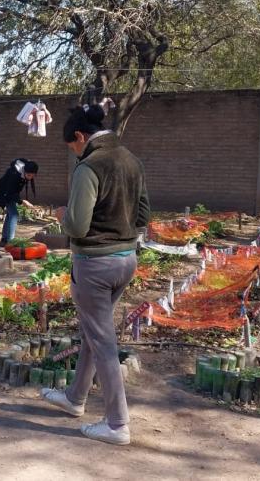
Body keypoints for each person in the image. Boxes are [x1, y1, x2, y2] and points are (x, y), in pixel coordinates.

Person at [40, 105, 150, 446]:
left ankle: (117, 424)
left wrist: (62, 214)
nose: (73, 151)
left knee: (102, 341)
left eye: (71, 145)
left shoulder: (88, 166)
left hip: (94, 265)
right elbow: (144, 214)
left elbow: (77, 225)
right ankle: (75, 398)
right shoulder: (131, 160)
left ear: (79, 136)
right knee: (94, 331)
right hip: (126, 260)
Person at [0, 158, 39, 247]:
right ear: (24, 171)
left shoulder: (26, 169)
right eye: (29, 175)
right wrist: (22, 201)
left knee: (11, 215)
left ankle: (4, 239)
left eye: (33, 176)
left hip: (10, 194)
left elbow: (14, 192)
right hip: (2, 194)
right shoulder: (14, 174)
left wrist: (21, 200)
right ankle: (11, 242)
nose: (30, 178)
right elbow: (10, 192)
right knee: (14, 214)